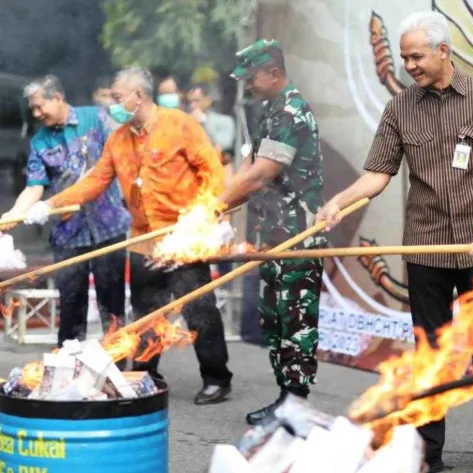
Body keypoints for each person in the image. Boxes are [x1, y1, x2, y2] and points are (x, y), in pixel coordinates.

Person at [316, 11, 473, 473]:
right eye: (405, 57)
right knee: (428, 348)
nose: (409, 65)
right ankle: (428, 450)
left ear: (443, 50)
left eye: (416, 56)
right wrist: (339, 203)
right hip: (426, 246)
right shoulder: (400, 107)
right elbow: (377, 174)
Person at [23, 67, 234, 405]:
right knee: (146, 313)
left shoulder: (180, 124)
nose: (114, 105)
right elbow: (95, 182)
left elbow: (212, 170)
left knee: (199, 309)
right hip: (142, 238)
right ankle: (146, 374)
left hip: (183, 236)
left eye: (118, 98)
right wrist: (50, 205)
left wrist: (211, 214)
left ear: (139, 95)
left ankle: (216, 378)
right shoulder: (118, 137)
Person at [219, 38, 326, 425]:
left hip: (298, 237)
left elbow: (263, 173)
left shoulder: (292, 112)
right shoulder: (271, 111)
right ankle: (285, 402)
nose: (247, 84)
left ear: (274, 72)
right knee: (277, 319)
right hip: (273, 236)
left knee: (296, 322)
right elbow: (247, 168)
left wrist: (214, 208)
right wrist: (214, 207)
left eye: (251, 77)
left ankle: (296, 405)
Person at [1, 74, 130, 350]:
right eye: (32, 109)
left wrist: (51, 204)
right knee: (71, 307)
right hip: (68, 235)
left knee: (113, 307)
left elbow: (119, 157)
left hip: (109, 227)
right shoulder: (40, 142)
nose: (36, 114)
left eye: (39, 106)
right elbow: (34, 187)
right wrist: (13, 215)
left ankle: (116, 368)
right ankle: (69, 369)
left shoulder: (96, 118)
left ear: (57, 98)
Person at [187, 82, 236, 166]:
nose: (192, 106)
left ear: (208, 101)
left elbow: (222, 146)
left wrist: (204, 122)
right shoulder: (185, 122)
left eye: (196, 101)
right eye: (189, 102)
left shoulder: (225, 121)